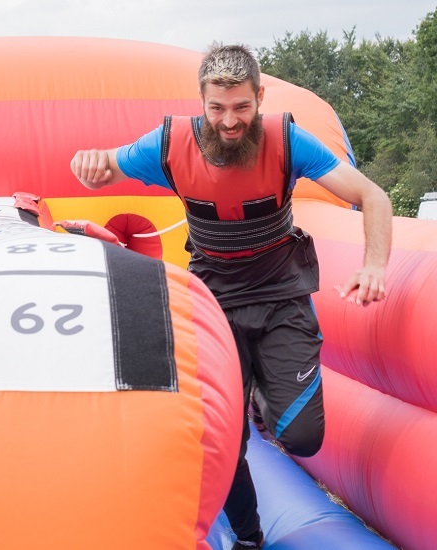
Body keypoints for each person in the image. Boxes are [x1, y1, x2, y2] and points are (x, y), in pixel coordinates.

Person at [70, 44, 392, 549]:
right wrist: (87, 163)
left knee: (303, 438)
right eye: (217, 108)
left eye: (241, 107)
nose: (229, 121)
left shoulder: (287, 141)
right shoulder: (170, 144)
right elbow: (106, 166)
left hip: (282, 294)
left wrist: (374, 265)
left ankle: (264, 395)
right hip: (216, 304)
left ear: (259, 98)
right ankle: (247, 536)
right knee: (222, 441)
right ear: (202, 101)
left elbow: (372, 195)